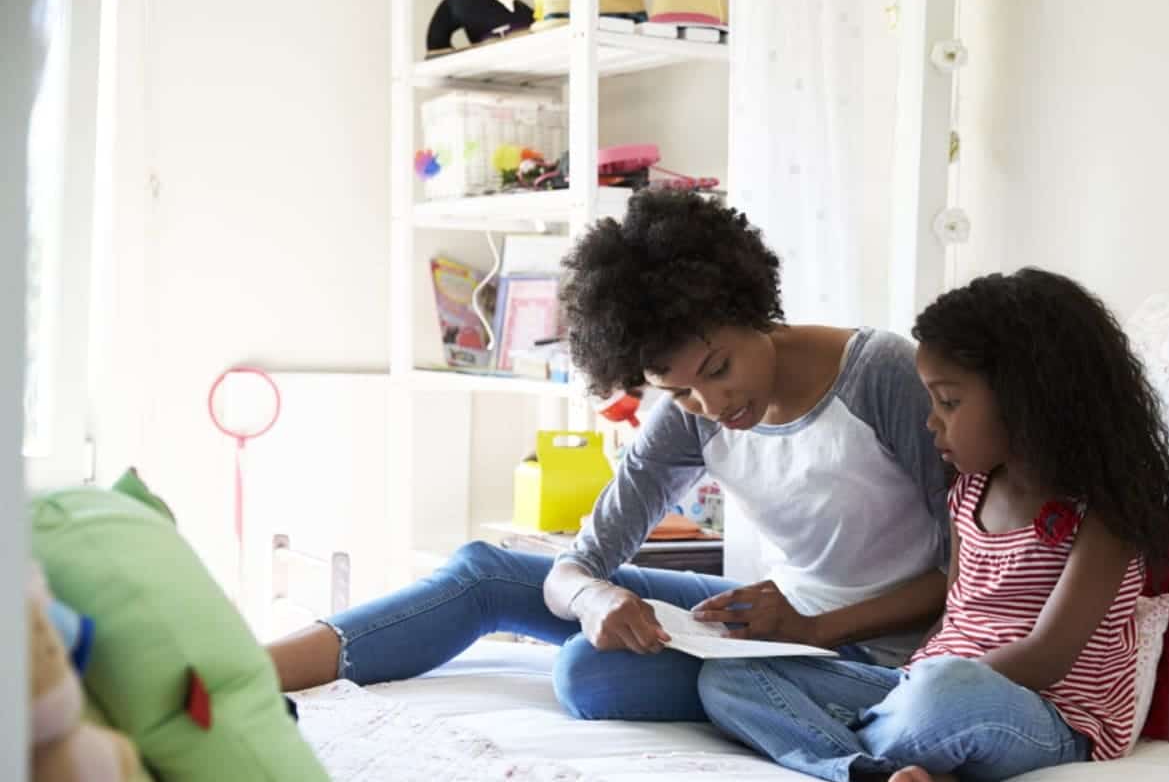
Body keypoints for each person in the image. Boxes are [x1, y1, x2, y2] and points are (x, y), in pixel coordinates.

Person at [267, 190, 951, 722]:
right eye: (678, 390)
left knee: (592, 677)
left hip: (881, 646)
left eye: (719, 367)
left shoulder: (880, 375)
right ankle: (247, 673)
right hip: (779, 617)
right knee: (487, 574)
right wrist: (595, 597)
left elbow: (972, 573)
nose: (711, 405)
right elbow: (575, 565)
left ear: (753, 308)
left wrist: (814, 629)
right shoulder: (689, 413)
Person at [697, 269, 1169, 782]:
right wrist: (905, 684)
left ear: (1028, 400)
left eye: (948, 402)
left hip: (1049, 717)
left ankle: (862, 740)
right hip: (927, 691)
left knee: (945, 692)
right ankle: (870, 770)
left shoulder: (1103, 515)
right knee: (728, 676)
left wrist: (919, 689)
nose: (931, 422)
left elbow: (1049, 656)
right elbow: (955, 612)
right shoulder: (969, 491)